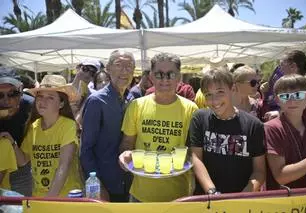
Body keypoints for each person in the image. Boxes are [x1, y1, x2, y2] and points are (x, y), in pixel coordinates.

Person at [119, 53, 198, 202]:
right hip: (140, 194)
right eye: (159, 74)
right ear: (151, 77)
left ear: (179, 77)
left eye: (170, 74)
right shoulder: (137, 106)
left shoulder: (191, 109)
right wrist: (125, 155)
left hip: (178, 196)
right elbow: (127, 143)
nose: (165, 79)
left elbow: (194, 152)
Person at [188, 68, 266, 194]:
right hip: (207, 200)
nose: (214, 101)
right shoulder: (199, 118)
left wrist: (241, 197)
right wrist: (212, 192)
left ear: (233, 89)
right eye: (208, 95)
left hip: (241, 202)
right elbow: (196, 157)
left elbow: (259, 171)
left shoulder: (254, 125)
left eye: (220, 92)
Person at [4, 74, 83, 197]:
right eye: (40, 96)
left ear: (61, 104)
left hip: (66, 198)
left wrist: (49, 200)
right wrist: (12, 142)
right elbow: (23, 161)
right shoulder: (34, 126)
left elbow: (64, 165)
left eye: (50, 97)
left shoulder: (68, 125)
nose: (42, 101)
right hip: (39, 197)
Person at [80, 50, 135, 202]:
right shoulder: (97, 101)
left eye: (129, 66)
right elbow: (86, 150)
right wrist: (97, 185)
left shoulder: (133, 99)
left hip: (131, 183)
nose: (124, 70)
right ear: (108, 69)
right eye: (119, 65)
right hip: (106, 184)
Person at [265, 74, 306, 190]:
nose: (292, 101)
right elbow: (281, 176)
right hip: (281, 202)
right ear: (277, 100)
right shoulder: (271, 128)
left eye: (298, 95)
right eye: (285, 96)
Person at [0, 68, 33, 196]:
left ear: (20, 92)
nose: (6, 100)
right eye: (0, 95)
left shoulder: (32, 108)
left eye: (12, 94)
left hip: (23, 168)